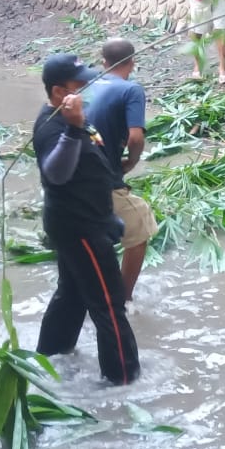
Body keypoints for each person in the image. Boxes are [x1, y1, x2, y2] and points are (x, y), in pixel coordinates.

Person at [33, 53, 141, 385]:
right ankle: (123, 383)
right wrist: (74, 128)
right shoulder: (55, 126)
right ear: (56, 93)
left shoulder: (72, 115)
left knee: (72, 293)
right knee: (109, 305)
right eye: (78, 85)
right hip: (79, 228)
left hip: (84, 221)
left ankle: (48, 358)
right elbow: (55, 172)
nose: (87, 89)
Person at [83, 38, 159, 303]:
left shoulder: (87, 84)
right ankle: (122, 299)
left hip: (72, 174)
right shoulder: (131, 90)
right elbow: (136, 138)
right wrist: (132, 161)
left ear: (103, 62)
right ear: (132, 63)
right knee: (142, 225)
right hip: (101, 178)